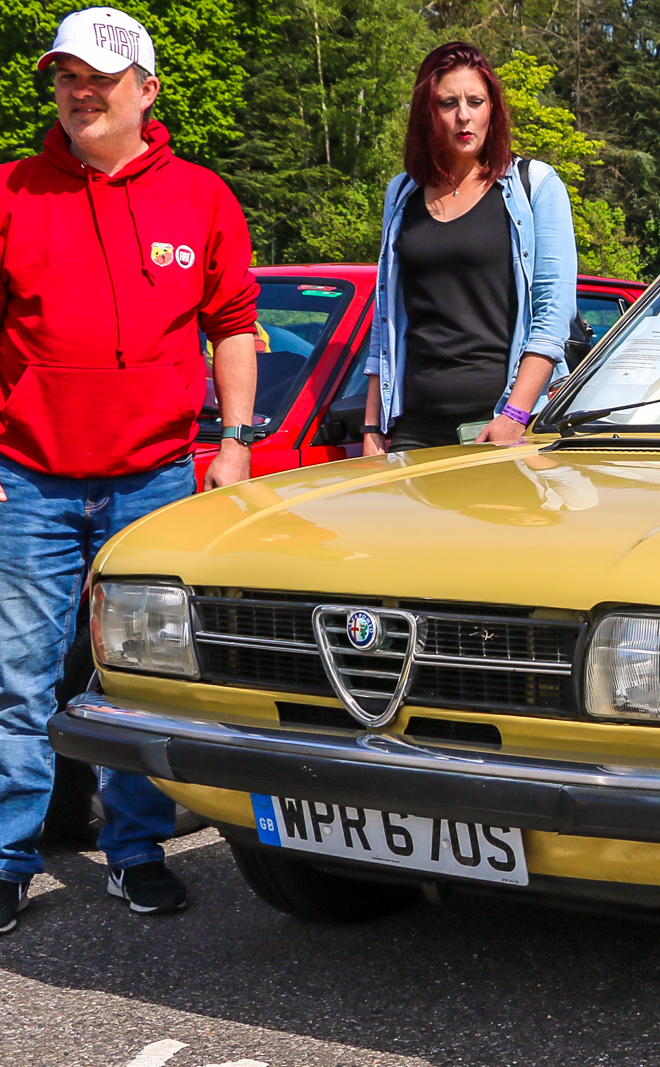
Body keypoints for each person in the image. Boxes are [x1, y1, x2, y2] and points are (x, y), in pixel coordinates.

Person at [0, 7, 260, 932]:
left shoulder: (201, 197)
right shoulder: (13, 192)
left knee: (138, 682)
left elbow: (233, 323)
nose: (79, 92)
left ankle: (136, 852)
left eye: (100, 78)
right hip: (29, 479)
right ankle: (7, 858)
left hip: (154, 483)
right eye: (67, 76)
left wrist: (234, 444)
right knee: (19, 678)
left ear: (145, 91)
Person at [363, 41, 577, 453]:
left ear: (492, 109)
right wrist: (372, 427)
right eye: (448, 103)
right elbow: (384, 315)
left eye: (475, 101)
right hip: (414, 427)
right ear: (429, 113)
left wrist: (514, 416)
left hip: (501, 423)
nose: (464, 115)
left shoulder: (536, 186)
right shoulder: (402, 193)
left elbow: (553, 314)